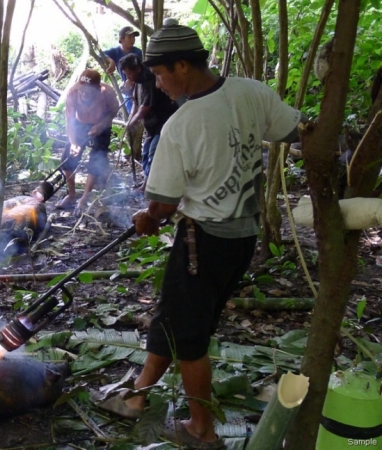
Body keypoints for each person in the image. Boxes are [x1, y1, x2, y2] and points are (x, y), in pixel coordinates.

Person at [111, 25, 303, 449]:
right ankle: (136, 398)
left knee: (190, 338)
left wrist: (147, 219)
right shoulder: (252, 92)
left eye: (160, 74)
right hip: (242, 240)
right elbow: (296, 131)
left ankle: (201, 430)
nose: (158, 84)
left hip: (203, 241)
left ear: (182, 65)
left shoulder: (181, 126)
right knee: (175, 318)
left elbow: (161, 207)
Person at [56, 69, 119, 216]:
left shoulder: (107, 93)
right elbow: (69, 121)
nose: (83, 94)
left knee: (96, 161)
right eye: (82, 90)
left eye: (88, 91)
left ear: (97, 89)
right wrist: (73, 142)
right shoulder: (72, 93)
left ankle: (85, 197)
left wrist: (101, 125)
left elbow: (113, 112)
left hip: (102, 126)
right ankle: (71, 195)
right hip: (80, 125)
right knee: (68, 158)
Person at [120, 53, 178, 189]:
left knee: (153, 154)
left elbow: (145, 107)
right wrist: (129, 121)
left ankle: (152, 186)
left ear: (137, 69)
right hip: (151, 126)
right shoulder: (137, 82)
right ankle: (147, 182)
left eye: (129, 74)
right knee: (145, 153)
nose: (128, 77)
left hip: (163, 123)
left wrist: (133, 122)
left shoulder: (149, 79)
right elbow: (135, 102)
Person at [104, 26, 142, 115]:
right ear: (121, 39)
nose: (132, 39)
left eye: (134, 37)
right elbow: (100, 54)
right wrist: (111, 61)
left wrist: (132, 80)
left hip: (139, 85)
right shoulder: (115, 51)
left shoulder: (138, 52)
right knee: (129, 111)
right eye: (129, 37)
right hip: (126, 87)